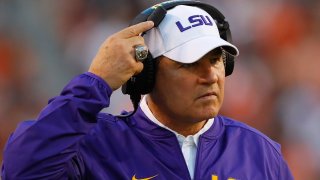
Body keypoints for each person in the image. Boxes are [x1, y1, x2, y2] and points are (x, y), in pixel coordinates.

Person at [1, 1, 293, 179]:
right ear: (145, 74)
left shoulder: (260, 152)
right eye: (189, 63)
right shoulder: (94, 146)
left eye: (216, 60)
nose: (210, 76)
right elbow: (21, 172)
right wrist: (95, 82)